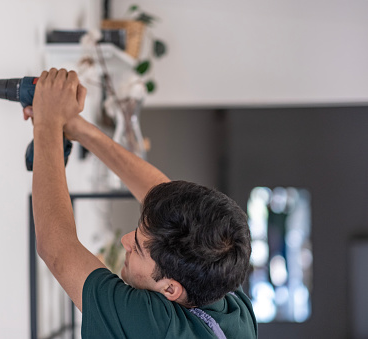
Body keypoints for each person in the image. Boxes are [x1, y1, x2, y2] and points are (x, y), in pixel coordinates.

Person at [24, 68, 258, 338]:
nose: (125, 240)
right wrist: (80, 129)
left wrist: (47, 122)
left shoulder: (155, 326)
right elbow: (160, 193)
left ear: (170, 289)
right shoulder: (224, 291)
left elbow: (57, 247)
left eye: (137, 248)